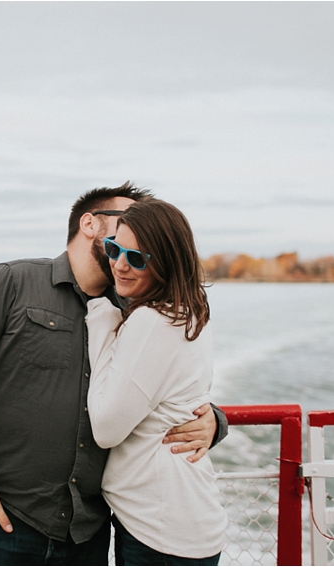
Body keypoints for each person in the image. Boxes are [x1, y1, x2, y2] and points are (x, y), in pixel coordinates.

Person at [0, 184, 228, 566]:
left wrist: (213, 422)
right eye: (122, 230)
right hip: (4, 521)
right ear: (90, 223)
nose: (126, 242)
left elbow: (164, 391)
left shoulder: (136, 309)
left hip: (88, 531)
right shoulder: (12, 283)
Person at [86, 199, 228, 566]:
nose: (119, 264)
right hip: (183, 519)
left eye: (137, 258)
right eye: (114, 249)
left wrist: (102, 322)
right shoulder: (192, 311)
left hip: (161, 530)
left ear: (165, 262)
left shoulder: (150, 322)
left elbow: (104, 428)